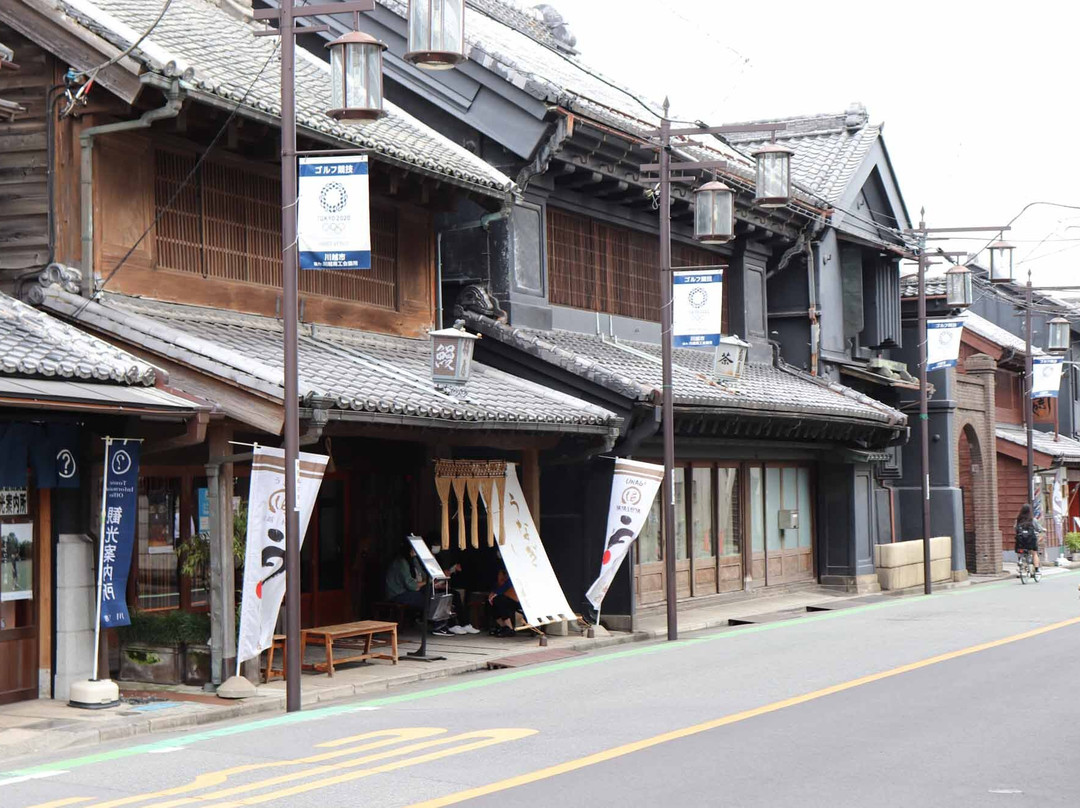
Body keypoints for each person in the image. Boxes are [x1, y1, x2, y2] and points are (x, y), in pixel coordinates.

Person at [385, 541, 453, 636]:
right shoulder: (401, 562)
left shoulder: (413, 560)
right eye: (413, 549)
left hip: (410, 590)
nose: (415, 551)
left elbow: (423, 576)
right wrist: (429, 581)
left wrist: (433, 582)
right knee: (429, 599)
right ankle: (437, 625)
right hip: (398, 593)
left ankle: (441, 625)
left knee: (435, 593)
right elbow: (411, 585)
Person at [487, 568, 520, 637]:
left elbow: (510, 583)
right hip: (507, 596)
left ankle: (510, 628)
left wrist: (496, 593)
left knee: (499, 600)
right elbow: (498, 584)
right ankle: (504, 626)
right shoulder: (501, 571)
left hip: (519, 599)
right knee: (490, 602)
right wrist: (493, 592)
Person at [1014, 503, 1043, 573]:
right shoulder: (1033, 520)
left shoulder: (1018, 520)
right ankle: (1036, 569)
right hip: (1031, 541)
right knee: (1034, 553)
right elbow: (1039, 529)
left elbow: (1015, 528)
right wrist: (1042, 530)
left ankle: (1020, 562)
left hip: (1021, 541)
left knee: (1020, 551)